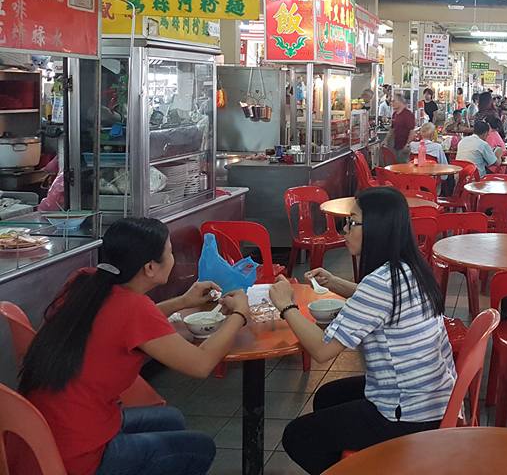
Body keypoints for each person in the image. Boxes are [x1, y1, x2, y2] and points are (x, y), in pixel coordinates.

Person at [20, 218, 250, 475]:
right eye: (170, 252)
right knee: (200, 447)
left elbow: (128, 325)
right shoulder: (133, 308)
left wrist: (183, 301)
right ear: (150, 267)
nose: (173, 258)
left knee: (171, 419)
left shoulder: (86, 281)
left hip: (40, 433)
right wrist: (240, 315)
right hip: (78, 455)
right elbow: (201, 364)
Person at [271, 188, 456, 473]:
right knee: (327, 396)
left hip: (406, 414)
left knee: (298, 436)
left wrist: (286, 306)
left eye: (352, 223)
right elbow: (382, 303)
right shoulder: (411, 267)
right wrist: (335, 282)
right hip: (435, 398)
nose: (344, 230)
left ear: (378, 229)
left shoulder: (380, 283)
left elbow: (322, 350)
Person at [387, 93, 416, 162]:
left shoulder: (408, 115)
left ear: (400, 102)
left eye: (393, 101)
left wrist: (407, 144)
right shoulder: (394, 114)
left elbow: (412, 131)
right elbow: (392, 128)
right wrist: (386, 140)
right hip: (396, 145)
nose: (391, 103)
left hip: (404, 146)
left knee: (403, 166)